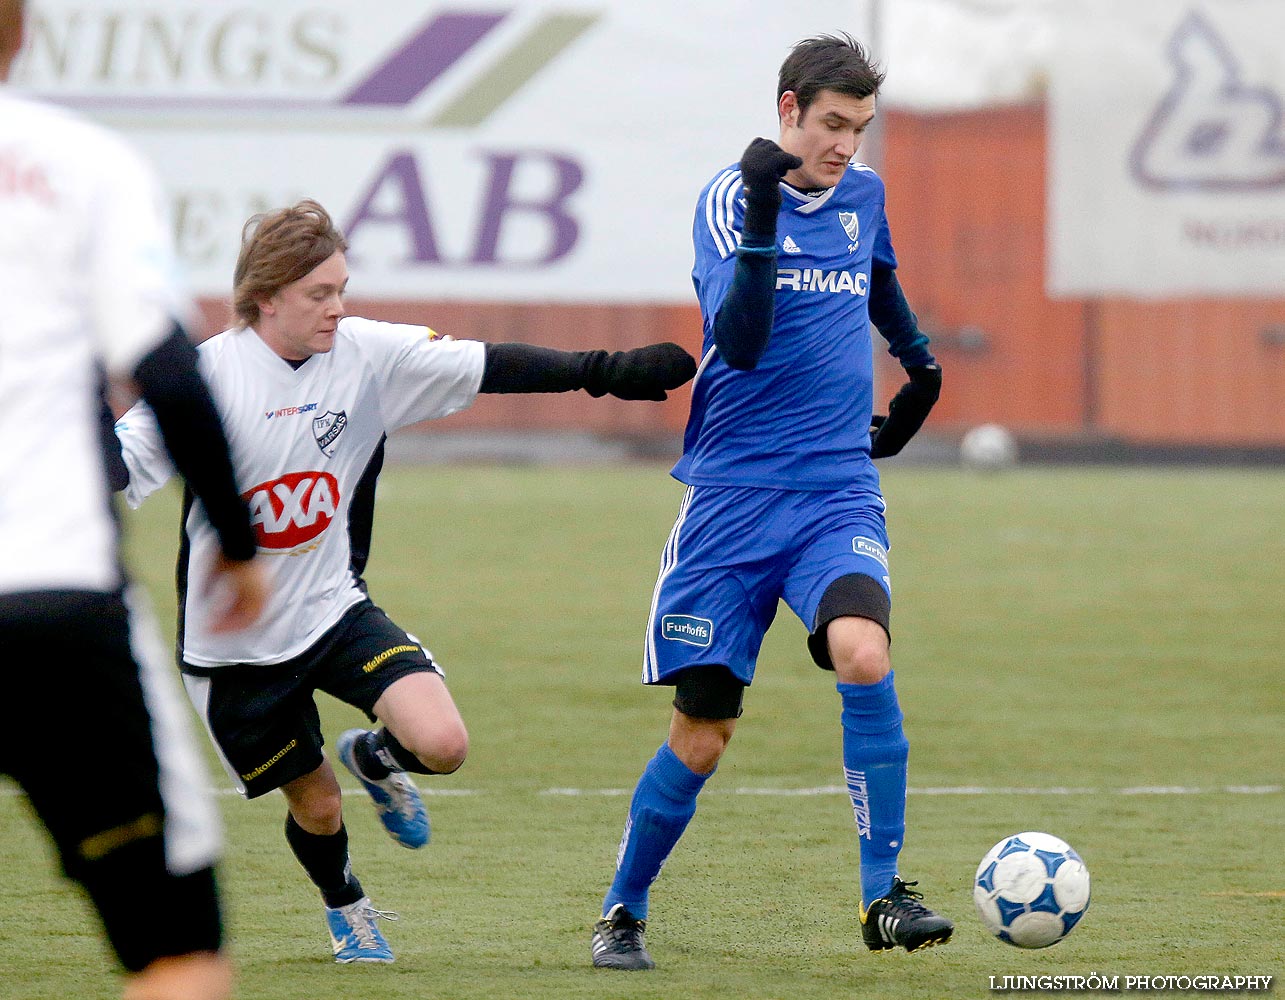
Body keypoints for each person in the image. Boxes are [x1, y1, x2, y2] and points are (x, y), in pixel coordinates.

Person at [114, 199, 696, 965]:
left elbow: (487, 364)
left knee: (444, 742)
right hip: (235, 650)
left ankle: (377, 759)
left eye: (342, 288)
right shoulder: (205, 379)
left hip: (332, 609)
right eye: (319, 293)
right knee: (318, 807)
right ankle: (346, 907)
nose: (337, 307)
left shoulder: (365, 353)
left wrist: (603, 372)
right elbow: (111, 468)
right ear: (267, 297)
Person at [589, 34, 952, 970]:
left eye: (860, 130)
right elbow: (740, 343)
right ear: (786, 108)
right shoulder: (725, 199)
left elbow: (876, 278)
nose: (845, 146)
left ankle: (883, 896)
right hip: (731, 504)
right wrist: (759, 207)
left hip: (835, 490)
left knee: (862, 652)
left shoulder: (860, 196)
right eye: (832, 124)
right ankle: (623, 908)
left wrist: (918, 367)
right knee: (703, 735)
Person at [0, 3, 270, 999]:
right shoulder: (80, 163)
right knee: (174, 952)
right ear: (20, 33)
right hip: (51, 597)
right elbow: (166, 368)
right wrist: (239, 544)